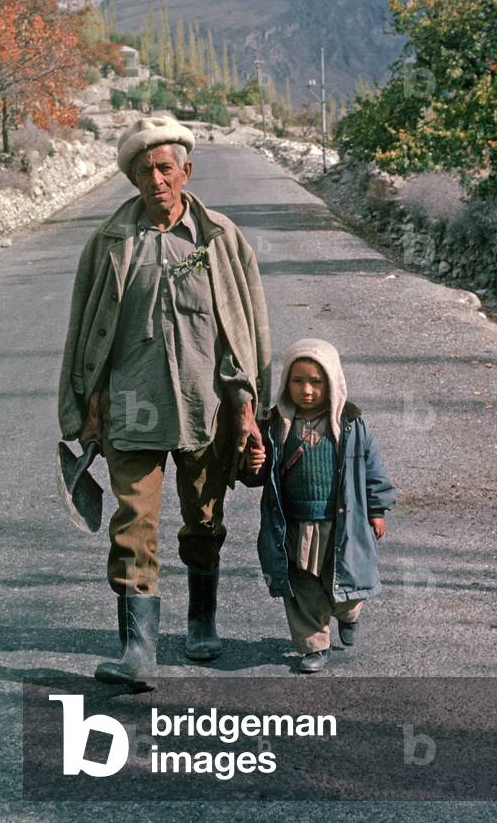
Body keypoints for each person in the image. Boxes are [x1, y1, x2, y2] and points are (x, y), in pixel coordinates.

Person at [57, 115, 271, 684]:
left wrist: (247, 410)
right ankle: (138, 651)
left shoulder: (219, 240)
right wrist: (91, 403)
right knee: (132, 524)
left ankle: (202, 620)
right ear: (132, 179)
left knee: (204, 518)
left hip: (206, 404)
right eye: (143, 170)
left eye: (164, 167)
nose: (155, 179)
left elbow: (241, 332)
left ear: (186, 171)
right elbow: (86, 333)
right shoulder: (109, 244)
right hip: (131, 406)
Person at [240, 337, 395, 673]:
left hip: (341, 524)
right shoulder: (275, 425)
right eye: (298, 381)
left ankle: (349, 614)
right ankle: (314, 645)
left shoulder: (352, 426)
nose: (306, 390)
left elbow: (373, 470)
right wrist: (254, 463)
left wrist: (377, 509)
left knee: (346, 586)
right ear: (286, 382)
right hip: (293, 524)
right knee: (303, 587)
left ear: (332, 382)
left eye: (316, 381)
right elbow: (257, 477)